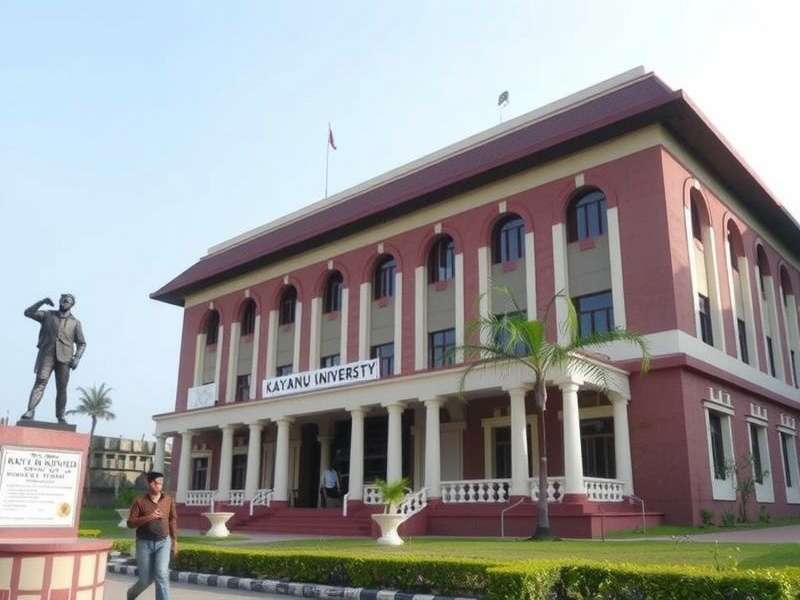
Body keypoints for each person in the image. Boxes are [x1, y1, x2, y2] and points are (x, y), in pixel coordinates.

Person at [21, 294, 86, 423]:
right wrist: (42, 301)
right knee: (40, 381)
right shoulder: (48, 315)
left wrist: (77, 357)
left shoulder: (75, 323)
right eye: (62, 300)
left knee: (62, 388)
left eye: (67, 301)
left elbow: (82, 343)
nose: (63, 302)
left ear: (72, 304)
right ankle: (30, 410)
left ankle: (60, 416)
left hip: (65, 358)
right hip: (47, 355)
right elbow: (28, 313)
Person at [126, 471, 177, 600]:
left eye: (161, 483)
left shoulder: (168, 500)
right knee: (145, 580)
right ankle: (131, 594)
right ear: (149, 483)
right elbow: (130, 523)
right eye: (157, 482)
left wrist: (175, 541)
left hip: (163, 542)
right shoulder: (139, 501)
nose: (160, 485)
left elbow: (172, 520)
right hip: (144, 543)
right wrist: (150, 517)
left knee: (161, 573)